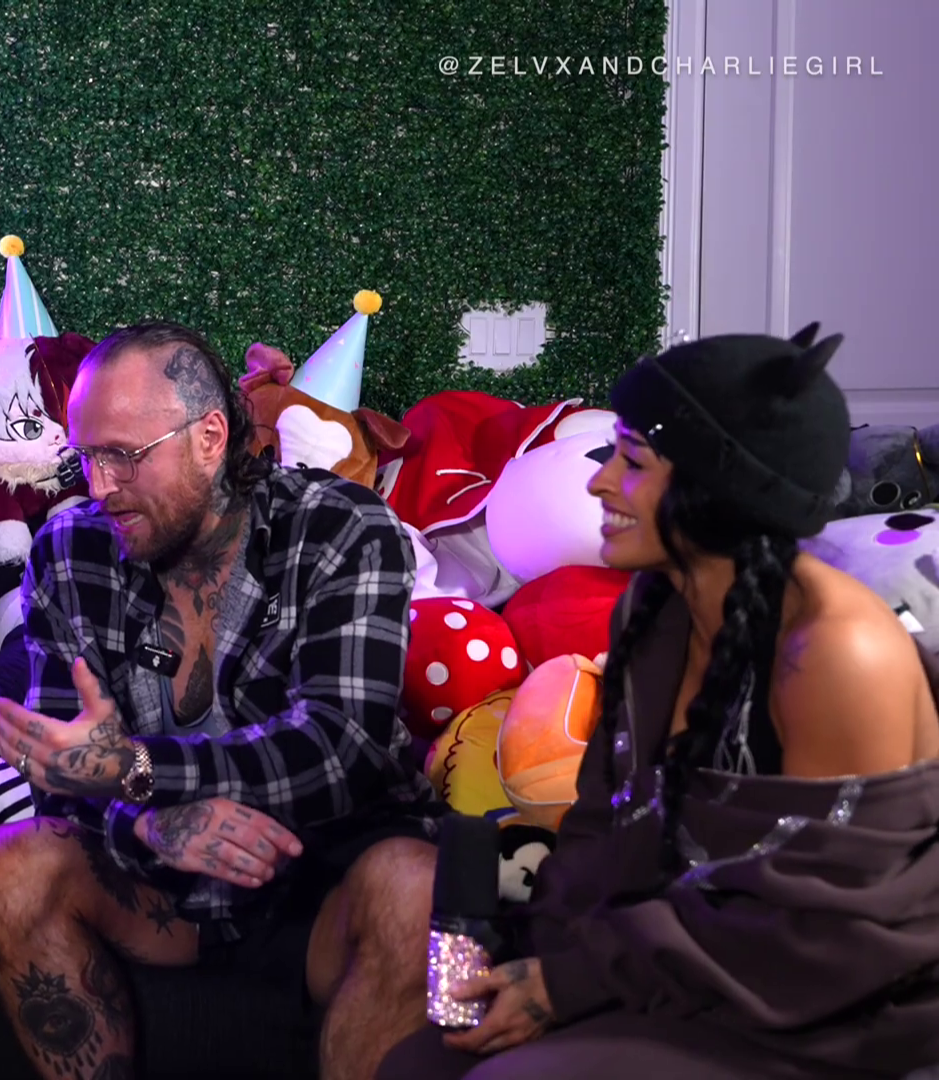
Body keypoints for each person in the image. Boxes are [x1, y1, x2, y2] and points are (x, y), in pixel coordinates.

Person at [377, 326, 939, 1080]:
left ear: (721, 489)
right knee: (419, 1063)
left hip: (828, 1008)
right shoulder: (657, 606)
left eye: (632, 461)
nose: (599, 483)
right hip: (674, 966)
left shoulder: (839, 650)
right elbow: (601, 826)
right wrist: (539, 959)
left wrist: (568, 986)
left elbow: (817, 928)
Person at [0, 321, 445, 1080]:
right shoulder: (70, 551)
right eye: (85, 457)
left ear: (210, 437)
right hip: (162, 889)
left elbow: (340, 748)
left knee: (419, 885)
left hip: (325, 874)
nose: (100, 486)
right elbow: (67, 770)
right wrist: (148, 820)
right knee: (11, 864)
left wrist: (135, 771)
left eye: (124, 456)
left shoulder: (340, 528)